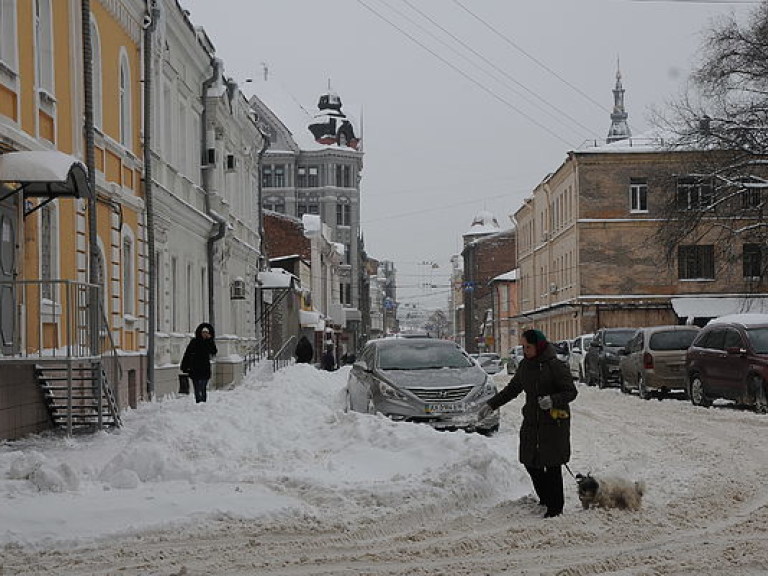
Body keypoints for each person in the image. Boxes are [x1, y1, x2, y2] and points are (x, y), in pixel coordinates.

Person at [477, 328, 577, 518]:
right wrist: (491, 405)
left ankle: (555, 507)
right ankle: (545, 498)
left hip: (554, 422)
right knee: (530, 461)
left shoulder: (555, 366)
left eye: (528, 347)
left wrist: (552, 400)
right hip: (532, 421)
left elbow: (571, 392)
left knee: (552, 464)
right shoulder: (525, 366)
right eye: (523, 347)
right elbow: (512, 389)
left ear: (538, 346)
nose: (525, 351)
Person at [180, 323, 218, 403]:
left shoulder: (209, 342)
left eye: (206, 333)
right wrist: (184, 366)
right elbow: (188, 353)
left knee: (203, 387)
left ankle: (203, 402)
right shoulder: (194, 342)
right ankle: (198, 402)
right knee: (197, 387)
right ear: (200, 332)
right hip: (195, 368)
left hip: (205, 368)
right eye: (203, 332)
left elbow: (214, 351)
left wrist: (210, 340)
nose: (205, 334)